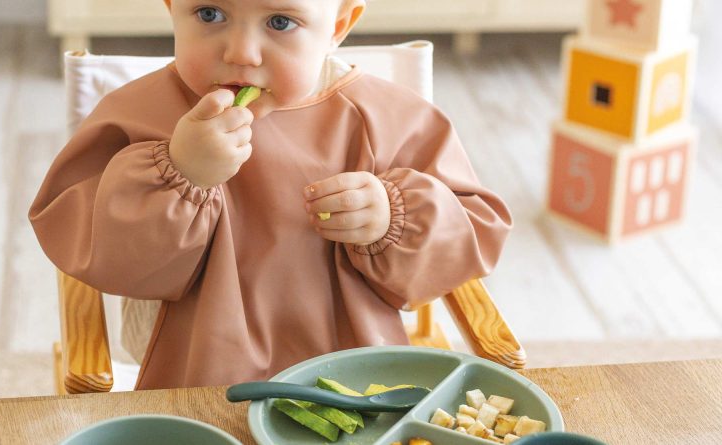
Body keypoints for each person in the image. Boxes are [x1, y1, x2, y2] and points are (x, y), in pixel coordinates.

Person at [29, 0, 512, 389]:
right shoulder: (138, 113)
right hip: (198, 376)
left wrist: (394, 217)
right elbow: (93, 245)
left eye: (281, 21)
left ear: (338, 24)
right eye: (210, 14)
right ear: (171, 6)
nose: (241, 52)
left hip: (355, 378)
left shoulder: (386, 118)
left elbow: (473, 231)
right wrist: (177, 175)